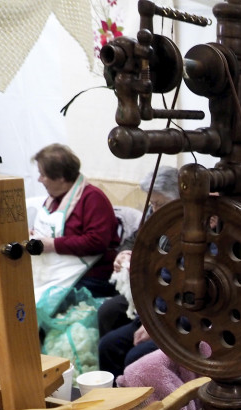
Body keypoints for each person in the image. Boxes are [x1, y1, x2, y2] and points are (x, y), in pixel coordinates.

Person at [98, 166, 180, 377]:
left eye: (160, 203)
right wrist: (125, 254)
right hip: (150, 293)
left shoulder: (191, 230)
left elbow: (177, 284)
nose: (154, 208)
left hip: (174, 304)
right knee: (108, 317)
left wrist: (155, 324)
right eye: (152, 203)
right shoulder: (155, 214)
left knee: (135, 355)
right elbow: (134, 240)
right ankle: (115, 399)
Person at [30, 143, 120, 301]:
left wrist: (52, 244)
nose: (39, 180)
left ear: (61, 177)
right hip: (57, 271)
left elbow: (97, 241)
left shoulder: (93, 199)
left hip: (92, 276)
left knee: (45, 302)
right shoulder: (54, 199)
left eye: (43, 175)